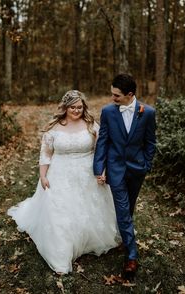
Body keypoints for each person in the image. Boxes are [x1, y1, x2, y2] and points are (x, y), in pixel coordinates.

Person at [7, 90, 120, 274]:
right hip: (60, 173)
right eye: (72, 107)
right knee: (61, 211)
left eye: (79, 107)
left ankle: (89, 239)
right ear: (65, 108)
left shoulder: (92, 125)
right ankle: (61, 251)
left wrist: (103, 171)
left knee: (87, 208)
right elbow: (46, 154)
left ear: (84, 107)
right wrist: (43, 176)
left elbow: (102, 151)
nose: (76, 110)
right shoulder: (54, 128)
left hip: (87, 173)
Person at [93, 74, 156, 278]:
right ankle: (131, 255)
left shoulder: (147, 113)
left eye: (116, 95)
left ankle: (123, 238)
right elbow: (103, 141)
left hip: (137, 169)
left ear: (130, 95)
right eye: (112, 94)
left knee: (128, 208)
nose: (113, 98)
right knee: (122, 210)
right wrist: (98, 168)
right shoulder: (108, 112)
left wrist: (146, 164)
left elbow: (150, 142)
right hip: (116, 168)